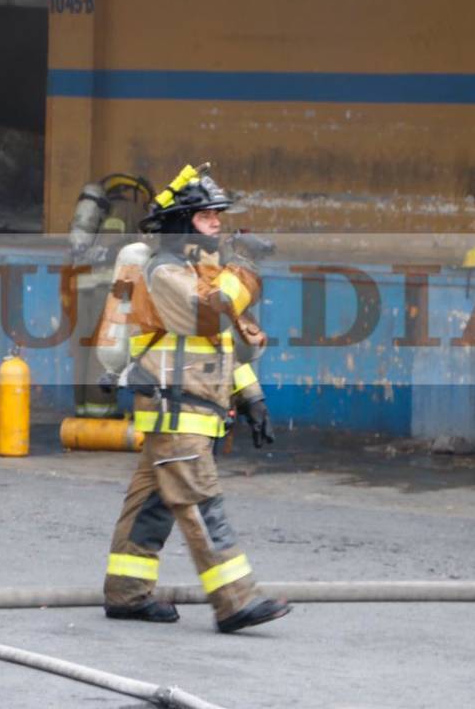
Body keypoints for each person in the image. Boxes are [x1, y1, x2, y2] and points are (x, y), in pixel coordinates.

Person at [101, 163, 291, 633]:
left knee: (151, 504)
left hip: (188, 408)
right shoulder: (164, 271)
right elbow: (210, 316)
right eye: (209, 217)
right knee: (200, 502)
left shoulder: (197, 270)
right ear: (184, 222)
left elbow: (221, 342)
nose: (218, 224)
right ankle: (234, 600)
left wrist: (252, 398)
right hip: (175, 407)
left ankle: (126, 593)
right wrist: (244, 265)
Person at [67, 173, 155, 419]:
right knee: (104, 350)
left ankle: (82, 410)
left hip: (80, 289)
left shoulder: (92, 214)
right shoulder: (132, 210)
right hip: (107, 290)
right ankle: (100, 413)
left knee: (82, 351)